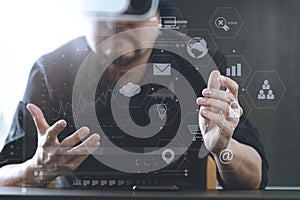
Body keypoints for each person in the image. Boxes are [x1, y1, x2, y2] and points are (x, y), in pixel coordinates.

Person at [0, 0, 268, 189]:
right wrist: (38, 168)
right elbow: (4, 174)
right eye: (105, 21)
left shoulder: (199, 66)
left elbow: (255, 178)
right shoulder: (52, 71)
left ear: (159, 17)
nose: (118, 34)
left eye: (132, 22)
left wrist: (224, 148)